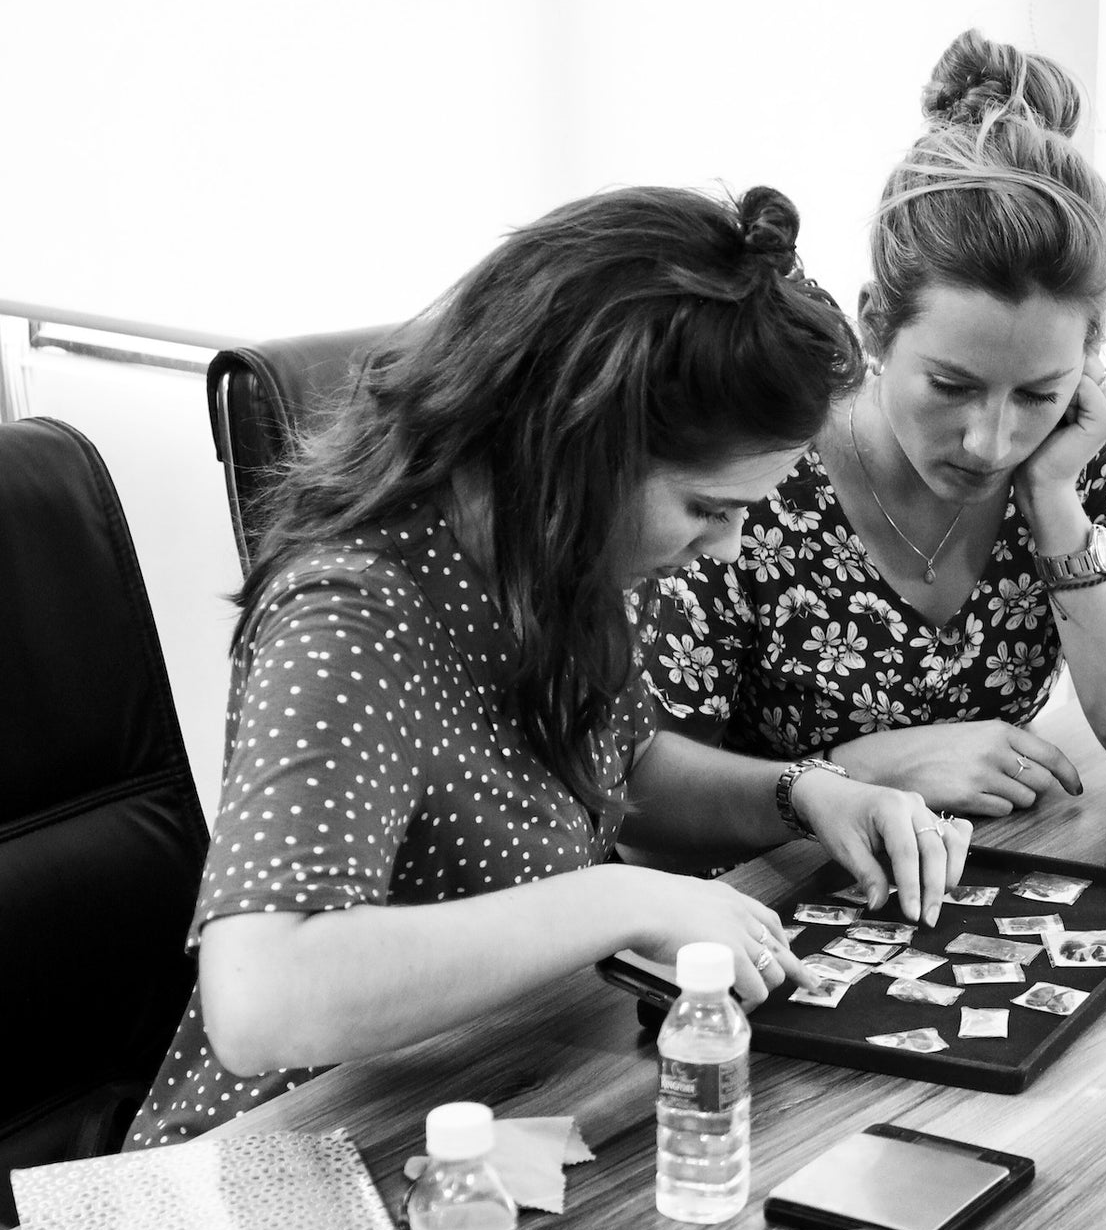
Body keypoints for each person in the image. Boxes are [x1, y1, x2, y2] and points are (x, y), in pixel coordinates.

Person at [126, 184, 973, 1147]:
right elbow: (260, 999)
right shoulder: (350, 616)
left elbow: (623, 768)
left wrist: (809, 793)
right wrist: (618, 900)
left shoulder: (565, 553)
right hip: (299, 1148)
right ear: (576, 445)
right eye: (707, 507)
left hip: (497, 1091)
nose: (728, 546)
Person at [644, 30, 1106, 819]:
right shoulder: (766, 452)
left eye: (1037, 395)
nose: (991, 442)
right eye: (951, 386)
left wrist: (1054, 505)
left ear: (1085, 365)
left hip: (971, 879)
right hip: (762, 886)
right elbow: (641, 799)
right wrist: (851, 775)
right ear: (875, 326)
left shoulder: (1085, 447)